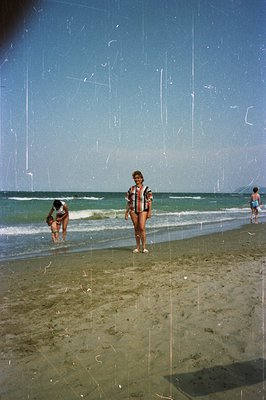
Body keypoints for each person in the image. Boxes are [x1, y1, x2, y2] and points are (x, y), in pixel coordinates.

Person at [125, 170, 153, 253]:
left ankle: (144, 247)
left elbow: (150, 200)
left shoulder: (146, 189)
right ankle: (137, 247)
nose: (137, 179)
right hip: (133, 210)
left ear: (142, 178)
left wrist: (150, 211)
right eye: (135, 178)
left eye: (138, 178)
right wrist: (126, 212)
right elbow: (128, 201)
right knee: (136, 228)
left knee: (141, 227)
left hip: (143, 210)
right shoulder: (131, 189)